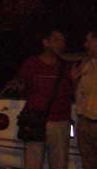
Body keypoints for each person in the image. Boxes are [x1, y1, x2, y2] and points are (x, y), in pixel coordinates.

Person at [13, 27, 74, 169]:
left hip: (60, 123)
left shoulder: (65, 67)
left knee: (59, 164)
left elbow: (73, 92)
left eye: (63, 40)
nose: (61, 44)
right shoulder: (31, 64)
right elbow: (20, 85)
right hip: (36, 122)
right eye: (57, 40)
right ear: (46, 43)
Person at [73, 28, 97, 169]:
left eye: (89, 41)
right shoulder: (87, 65)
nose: (85, 45)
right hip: (85, 123)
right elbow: (81, 94)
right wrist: (74, 80)